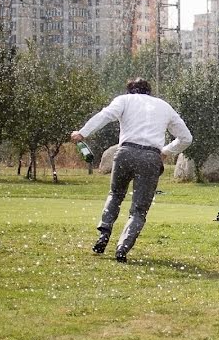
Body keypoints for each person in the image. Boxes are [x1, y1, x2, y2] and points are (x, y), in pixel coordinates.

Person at [71, 77, 192, 263]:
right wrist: (166, 151)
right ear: (148, 91)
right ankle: (123, 248)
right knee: (139, 209)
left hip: (125, 153)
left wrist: (83, 132)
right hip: (151, 157)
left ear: (130, 90)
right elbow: (186, 137)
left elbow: (105, 115)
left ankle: (104, 233)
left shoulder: (124, 100)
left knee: (115, 195)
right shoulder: (164, 106)